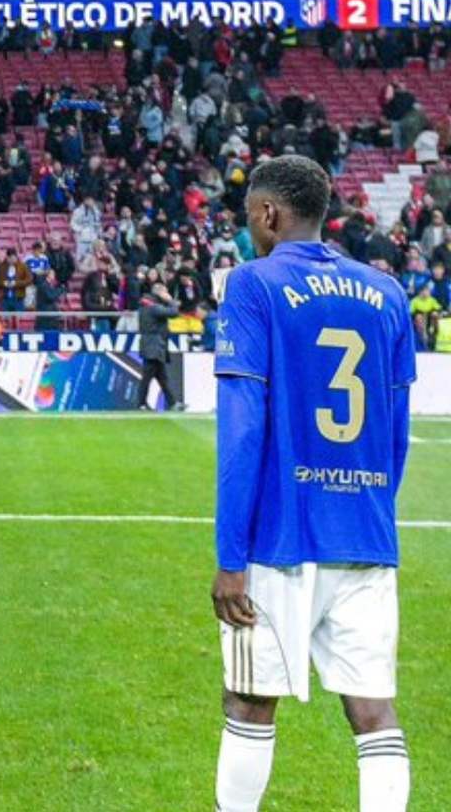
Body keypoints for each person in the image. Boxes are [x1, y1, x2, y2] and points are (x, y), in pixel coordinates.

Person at [211, 154, 416, 812]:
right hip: (365, 535)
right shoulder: (387, 293)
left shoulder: (252, 285)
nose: (251, 231)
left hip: (278, 539)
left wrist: (228, 559)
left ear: (269, 214)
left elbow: (242, 431)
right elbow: (397, 435)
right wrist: (370, 509)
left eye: (252, 219)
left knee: (249, 698)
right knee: (373, 711)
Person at [137, 281, 183, 409]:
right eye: (166, 292)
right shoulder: (152, 306)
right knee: (148, 376)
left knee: (162, 378)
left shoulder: (148, 303)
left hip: (155, 345)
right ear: (160, 293)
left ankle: (173, 403)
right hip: (153, 345)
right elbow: (174, 313)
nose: (167, 294)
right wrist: (172, 301)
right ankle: (141, 404)